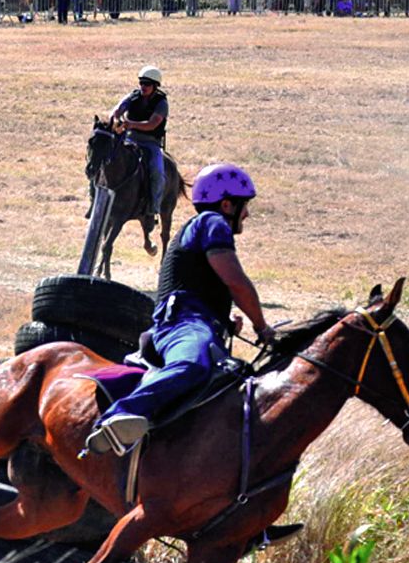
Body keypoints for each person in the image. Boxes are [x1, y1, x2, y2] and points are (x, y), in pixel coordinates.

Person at [84, 163, 275, 456]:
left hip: (195, 323)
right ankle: (119, 417)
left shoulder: (203, 227)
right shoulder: (213, 222)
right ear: (227, 204)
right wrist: (262, 327)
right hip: (184, 325)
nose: (247, 214)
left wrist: (223, 321)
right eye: (244, 205)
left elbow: (200, 285)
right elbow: (236, 282)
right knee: (192, 366)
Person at [109, 66, 169, 218]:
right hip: (129, 138)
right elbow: (116, 111)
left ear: (155, 86)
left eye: (147, 84)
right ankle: (95, 197)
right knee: (104, 158)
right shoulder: (133, 97)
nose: (143, 86)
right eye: (141, 83)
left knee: (157, 171)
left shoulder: (162, 103)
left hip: (150, 143)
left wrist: (131, 124)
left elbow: (152, 124)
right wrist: (117, 119)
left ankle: (154, 206)